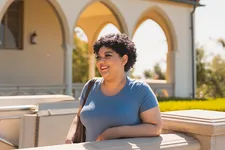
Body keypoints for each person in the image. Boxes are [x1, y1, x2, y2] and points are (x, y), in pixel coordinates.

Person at [66, 33, 162, 143]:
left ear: (124, 60)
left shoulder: (140, 90)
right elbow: (78, 118)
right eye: (98, 57)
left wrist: (117, 132)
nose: (101, 61)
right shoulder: (90, 86)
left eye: (108, 55)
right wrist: (69, 139)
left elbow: (156, 127)